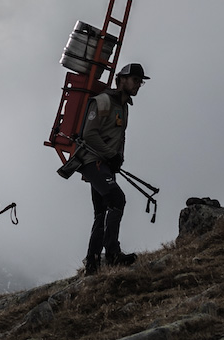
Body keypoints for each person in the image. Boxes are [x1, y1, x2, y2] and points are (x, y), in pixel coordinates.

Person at [75, 63, 149, 276]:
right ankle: (113, 253)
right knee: (117, 199)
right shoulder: (103, 101)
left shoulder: (124, 106)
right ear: (122, 79)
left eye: (140, 82)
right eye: (135, 80)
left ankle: (93, 263)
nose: (138, 85)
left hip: (105, 164)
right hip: (92, 161)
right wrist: (111, 155)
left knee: (102, 210)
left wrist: (118, 158)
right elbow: (89, 135)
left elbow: (119, 135)